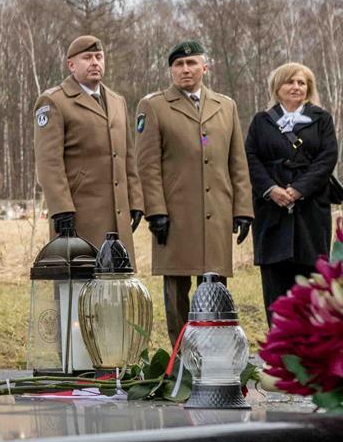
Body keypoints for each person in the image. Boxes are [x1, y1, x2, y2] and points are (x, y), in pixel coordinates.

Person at [136, 40, 252, 342]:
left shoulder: (226, 106)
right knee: (176, 289)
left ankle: (216, 356)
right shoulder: (155, 106)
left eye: (191, 63)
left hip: (217, 212)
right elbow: (147, 166)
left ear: (205, 67)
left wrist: (242, 209)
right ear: (171, 70)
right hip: (176, 214)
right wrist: (156, 211)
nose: (185, 69)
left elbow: (237, 161)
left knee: (216, 286)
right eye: (178, 65)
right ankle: (181, 361)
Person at [32, 35, 142, 256]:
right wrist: (61, 209)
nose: (95, 62)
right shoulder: (55, 101)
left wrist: (136, 200)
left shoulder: (116, 101)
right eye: (87, 57)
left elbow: (127, 156)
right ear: (71, 65)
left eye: (99, 57)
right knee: (79, 284)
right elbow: (48, 162)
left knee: (115, 284)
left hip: (117, 218)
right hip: (79, 216)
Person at [244, 61, 338, 314]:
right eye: (290, 81)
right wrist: (271, 190)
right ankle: (278, 346)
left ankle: (310, 348)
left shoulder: (322, 119)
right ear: (277, 86)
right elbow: (251, 158)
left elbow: (327, 158)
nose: (296, 87)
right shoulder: (261, 122)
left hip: (310, 210)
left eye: (302, 82)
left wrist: (298, 190)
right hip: (271, 211)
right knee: (275, 281)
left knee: (312, 280)